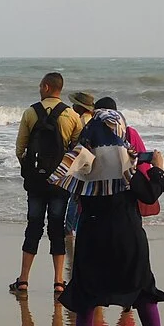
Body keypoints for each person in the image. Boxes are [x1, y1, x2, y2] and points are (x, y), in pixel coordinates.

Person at [50, 109, 164, 326]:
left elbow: (64, 180)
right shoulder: (126, 165)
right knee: (143, 288)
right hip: (126, 236)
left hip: (91, 235)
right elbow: (149, 194)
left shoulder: (83, 162)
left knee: (86, 291)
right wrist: (158, 168)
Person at [10, 73, 84, 295]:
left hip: (35, 182)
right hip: (60, 182)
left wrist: (30, 170)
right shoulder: (72, 115)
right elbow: (78, 151)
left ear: (46, 86)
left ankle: (23, 280)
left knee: (33, 226)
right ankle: (59, 282)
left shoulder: (30, 112)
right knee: (57, 228)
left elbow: (20, 149)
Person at [65, 91, 96, 235]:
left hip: (80, 162)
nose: (73, 106)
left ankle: (69, 228)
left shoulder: (81, 121)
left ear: (81, 107)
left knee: (75, 197)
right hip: (91, 162)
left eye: (75, 104)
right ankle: (76, 227)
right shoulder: (93, 121)